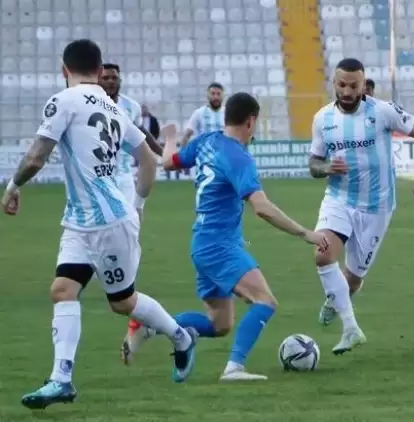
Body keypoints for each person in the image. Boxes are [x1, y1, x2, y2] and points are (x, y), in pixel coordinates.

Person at [0, 39, 197, 410]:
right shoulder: (113, 107)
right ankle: (61, 380)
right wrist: (139, 203)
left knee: (123, 303)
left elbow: (37, 157)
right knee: (62, 290)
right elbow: (148, 159)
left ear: (65, 69)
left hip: (107, 222)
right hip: (81, 220)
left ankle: (180, 337)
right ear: (98, 69)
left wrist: (12, 186)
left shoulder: (63, 100)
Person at [119, 92, 329, 381]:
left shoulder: (206, 141)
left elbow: (168, 162)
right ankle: (234, 368)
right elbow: (262, 208)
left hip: (203, 243)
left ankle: (151, 325)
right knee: (265, 301)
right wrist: (306, 233)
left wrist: (169, 137)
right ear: (251, 121)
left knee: (220, 325)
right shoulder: (238, 157)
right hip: (219, 247)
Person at [308, 58, 414, 354]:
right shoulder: (322, 119)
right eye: (342, 85)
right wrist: (326, 168)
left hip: (377, 207)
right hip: (338, 199)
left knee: (352, 281)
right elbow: (314, 163)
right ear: (334, 83)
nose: (347, 91)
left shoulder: (382, 111)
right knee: (323, 255)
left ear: (363, 85)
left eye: (354, 86)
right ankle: (351, 329)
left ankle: (337, 297)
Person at [99, 63, 163, 211]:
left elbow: (142, 134)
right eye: (106, 78)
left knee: (129, 221)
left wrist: (164, 154)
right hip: (97, 177)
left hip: (124, 177)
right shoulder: (87, 105)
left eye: (114, 77)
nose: (110, 81)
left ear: (120, 80)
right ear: (98, 80)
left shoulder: (131, 107)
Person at [180, 82, 225, 146]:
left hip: (223, 150)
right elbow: (186, 135)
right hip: (204, 150)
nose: (216, 97)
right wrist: (183, 150)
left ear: (222, 96)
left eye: (218, 94)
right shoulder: (199, 113)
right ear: (208, 96)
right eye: (213, 94)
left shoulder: (228, 113)